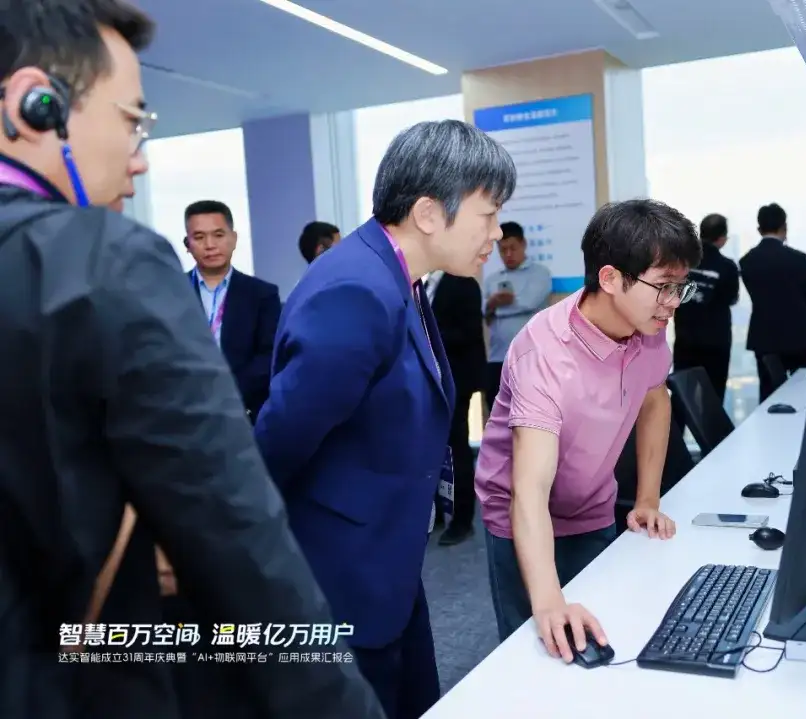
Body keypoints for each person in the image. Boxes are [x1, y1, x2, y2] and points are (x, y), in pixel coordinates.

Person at [0, 2, 384, 717]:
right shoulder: (102, 263)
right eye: (131, 120)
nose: (140, 157)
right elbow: (240, 538)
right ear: (34, 104)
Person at [254, 119, 515, 719]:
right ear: (429, 213)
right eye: (488, 214)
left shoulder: (397, 277)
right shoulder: (356, 290)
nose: (497, 232)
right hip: (340, 578)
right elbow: (277, 444)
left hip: (385, 558)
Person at [475, 199, 701, 660]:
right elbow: (530, 491)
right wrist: (548, 601)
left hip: (593, 504)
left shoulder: (650, 326)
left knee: (607, 631)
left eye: (680, 286)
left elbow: (655, 397)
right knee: (537, 651)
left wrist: (648, 499)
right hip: (522, 517)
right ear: (610, 278)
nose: (674, 302)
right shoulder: (544, 353)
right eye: (663, 286)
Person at [183, 199, 281, 418]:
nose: (210, 245)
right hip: (186, 411)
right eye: (199, 237)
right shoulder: (170, 292)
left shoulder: (262, 295)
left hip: (245, 412)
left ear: (233, 239)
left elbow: (269, 355)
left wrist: (226, 395)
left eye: (218, 235)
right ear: (187, 244)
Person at [427, 269, 486, 546]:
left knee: (456, 449)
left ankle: (463, 520)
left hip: (456, 381)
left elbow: (468, 332)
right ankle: (437, 512)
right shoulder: (423, 286)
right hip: (432, 382)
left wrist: (426, 334)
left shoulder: (464, 284)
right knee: (433, 449)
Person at [739, 203, 806, 402]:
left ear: (759, 229)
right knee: (805, 395)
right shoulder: (799, 259)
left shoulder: (747, 261)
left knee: (770, 398)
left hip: (765, 338)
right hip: (800, 336)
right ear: (785, 227)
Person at [482, 221, 552, 411]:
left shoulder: (540, 273)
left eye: (512, 248)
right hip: (497, 357)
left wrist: (496, 306)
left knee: (530, 413)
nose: (508, 254)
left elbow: (529, 302)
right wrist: (492, 306)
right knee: (498, 414)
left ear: (523, 244)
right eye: (503, 250)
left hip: (531, 358)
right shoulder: (492, 279)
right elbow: (483, 311)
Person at [673, 213, 740, 405]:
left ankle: (674, 427)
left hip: (685, 339)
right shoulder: (727, 267)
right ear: (722, 238)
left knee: (681, 398)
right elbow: (732, 298)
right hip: (715, 343)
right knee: (713, 400)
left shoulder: (681, 262)